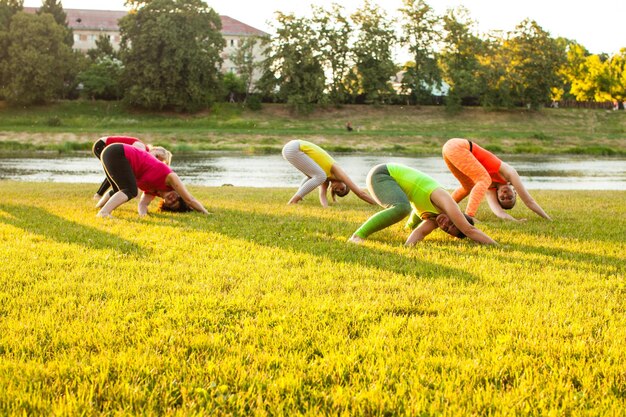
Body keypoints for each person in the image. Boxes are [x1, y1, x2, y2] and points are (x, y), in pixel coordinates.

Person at [349, 163, 497, 246]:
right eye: (452, 224)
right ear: (457, 216)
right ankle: (358, 236)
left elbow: (420, 233)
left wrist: (407, 248)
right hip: (382, 175)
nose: (445, 225)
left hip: (390, 180)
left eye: (446, 229)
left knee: (411, 212)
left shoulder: (435, 218)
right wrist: (496, 246)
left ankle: (407, 225)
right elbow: (469, 229)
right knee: (402, 208)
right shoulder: (445, 200)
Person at [442, 138, 552, 221]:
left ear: (497, 195)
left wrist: (514, 221)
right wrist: (548, 219)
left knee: (468, 187)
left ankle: (441, 207)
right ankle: (469, 216)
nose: (505, 195)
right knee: (483, 179)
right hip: (459, 146)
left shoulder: (490, 189)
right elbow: (529, 201)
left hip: (448, 150)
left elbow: (499, 212)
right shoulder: (510, 173)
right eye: (510, 197)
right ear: (515, 192)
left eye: (503, 199)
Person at [95, 143, 208, 217]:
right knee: (130, 190)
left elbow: (142, 205)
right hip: (118, 152)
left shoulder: (152, 191)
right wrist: (206, 213)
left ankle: (100, 207)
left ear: (165, 204)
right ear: (179, 194)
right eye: (177, 198)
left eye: (172, 204)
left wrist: (143, 215)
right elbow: (190, 200)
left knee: (118, 190)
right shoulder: (171, 177)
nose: (173, 199)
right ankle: (104, 213)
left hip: (111, 152)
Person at [281, 139, 376, 207]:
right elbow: (360, 193)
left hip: (291, 149)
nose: (338, 189)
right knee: (319, 176)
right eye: (342, 189)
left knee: (315, 176)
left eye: (337, 192)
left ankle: (298, 198)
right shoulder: (338, 171)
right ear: (345, 184)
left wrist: (325, 208)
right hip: (294, 147)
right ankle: (293, 201)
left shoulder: (326, 179)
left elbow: (322, 195)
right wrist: (378, 204)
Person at [92, 136, 172, 200]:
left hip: (109, 150)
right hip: (102, 145)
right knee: (115, 171)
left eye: (158, 160)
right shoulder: (142, 148)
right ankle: (99, 195)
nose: (155, 159)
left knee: (116, 172)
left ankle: (111, 195)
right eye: (156, 156)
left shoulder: (145, 157)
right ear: (154, 149)